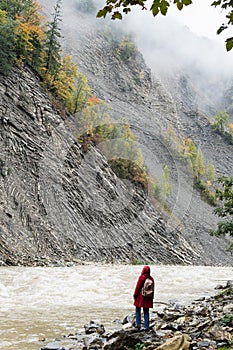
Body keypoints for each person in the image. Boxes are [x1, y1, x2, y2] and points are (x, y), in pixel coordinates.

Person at [133, 265, 154, 330]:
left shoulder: (142, 277)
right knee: (146, 311)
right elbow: (153, 289)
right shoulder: (151, 279)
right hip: (148, 297)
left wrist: (135, 295)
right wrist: (152, 298)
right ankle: (146, 326)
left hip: (140, 297)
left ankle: (138, 324)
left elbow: (138, 287)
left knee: (137, 310)